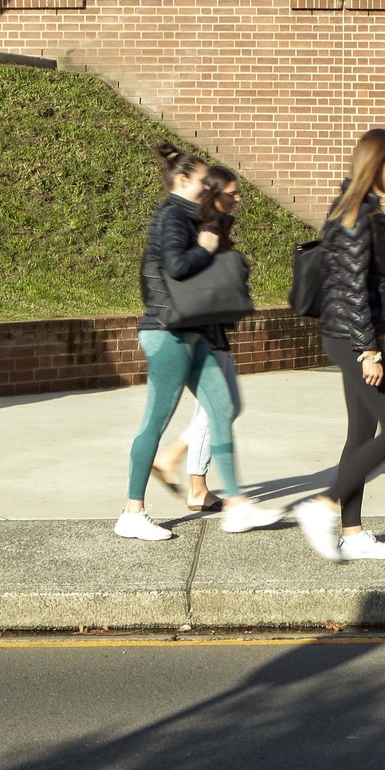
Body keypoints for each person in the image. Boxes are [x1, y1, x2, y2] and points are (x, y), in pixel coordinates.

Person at [117, 144, 279, 542]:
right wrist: (206, 246)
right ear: (183, 180)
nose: (210, 185)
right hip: (166, 331)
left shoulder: (191, 216)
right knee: (156, 422)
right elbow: (176, 266)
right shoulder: (171, 215)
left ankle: (237, 507)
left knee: (221, 408)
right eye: (204, 180)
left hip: (193, 330)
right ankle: (131, 513)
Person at [296, 126, 385, 563]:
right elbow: (348, 287)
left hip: (349, 333)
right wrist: (369, 349)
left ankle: (353, 532)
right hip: (352, 336)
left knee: (362, 434)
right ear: (377, 162)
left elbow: (359, 270)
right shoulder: (357, 212)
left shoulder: (357, 207)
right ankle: (323, 506)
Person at [151, 165, 244, 512]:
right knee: (224, 405)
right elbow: (186, 270)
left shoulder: (211, 223)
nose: (238, 199)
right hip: (204, 328)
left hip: (209, 325)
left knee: (220, 406)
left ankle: (196, 486)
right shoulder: (203, 225)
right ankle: (177, 463)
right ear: (214, 193)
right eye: (232, 193)